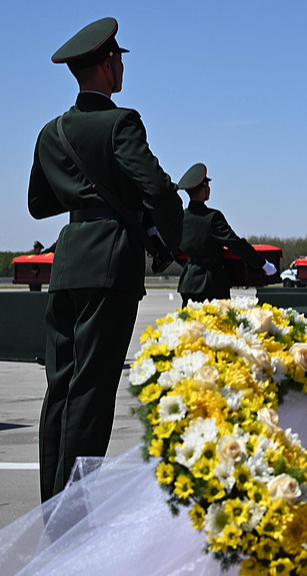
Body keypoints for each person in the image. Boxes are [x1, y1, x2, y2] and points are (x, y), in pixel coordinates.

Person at [27, 17, 184, 501]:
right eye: (119, 60)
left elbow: (38, 205)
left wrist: (83, 194)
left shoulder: (52, 131)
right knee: (92, 392)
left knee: (60, 388)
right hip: (111, 263)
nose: (122, 69)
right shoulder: (121, 122)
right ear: (108, 64)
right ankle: (74, 516)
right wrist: (171, 242)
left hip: (68, 263)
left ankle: (53, 509)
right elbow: (158, 189)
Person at [176, 163, 276, 305]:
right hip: (212, 283)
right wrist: (262, 264)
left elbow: (173, 248)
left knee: (190, 320)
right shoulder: (212, 217)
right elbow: (234, 243)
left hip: (188, 281)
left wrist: (192, 264)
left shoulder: (181, 217)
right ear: (204, 189)